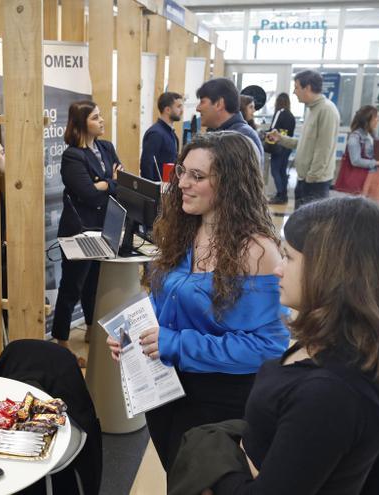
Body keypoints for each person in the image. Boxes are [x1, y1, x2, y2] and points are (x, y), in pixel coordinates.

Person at [187, 196, 379, 494]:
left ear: (331, 271)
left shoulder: (330, 393)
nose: (278, 268)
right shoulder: (350, 341)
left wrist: (214, 470)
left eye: (288, 257)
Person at [108, 131, 289, 471]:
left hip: (218, 400)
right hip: (166, 389)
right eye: (182, 172)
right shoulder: (183, 230)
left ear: (231, 184)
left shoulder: (257, 250)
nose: (183, 184)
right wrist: (133, 335)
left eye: (198, 176)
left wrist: (175, 343)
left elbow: (267, 347)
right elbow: (164, 305)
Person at [53, 100, 122, 359]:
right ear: (82, 124)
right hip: (78, 232)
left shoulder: (106, 147)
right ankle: (61, 340)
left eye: (100, 115)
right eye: (95, 117)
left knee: (94, 283)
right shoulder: (72, 156)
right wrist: (108, 183)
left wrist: (104, 184)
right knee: (71, 286)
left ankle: (92, 329)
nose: (102, 120)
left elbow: (120, 181)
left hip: (103, 229)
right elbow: (87, 194)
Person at [267, 70, 340, 209]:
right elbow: (304, 144)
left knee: (312, 227)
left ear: (307, 88)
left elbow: (324, 149)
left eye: (296, 87)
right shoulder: (311, 110)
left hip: (315, 183)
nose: (294, 92)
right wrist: (280, 138)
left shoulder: (326, 110)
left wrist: (311, 178)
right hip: (304, 179)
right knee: (300, 225)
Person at [196, 78, 263, 162]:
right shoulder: (222, 134)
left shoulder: (241, 139)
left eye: (202, 102)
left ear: (219, 104)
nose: (197, 108)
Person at [347, 105, 379, 203]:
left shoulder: (372, 134)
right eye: (376, 117)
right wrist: (377, 163)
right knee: (360, 207)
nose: (378, 120)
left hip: (375, 174)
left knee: (375, 207)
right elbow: (355, 160)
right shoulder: (355, 137)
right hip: (363, 176)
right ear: (368, 119)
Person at [140, 91, 183, 180]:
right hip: (158, 190)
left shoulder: (171, 133)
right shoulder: (156, 134)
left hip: (168, 187)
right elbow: (146, 165)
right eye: (178, 107)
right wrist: (151, 190)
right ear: (167, 110)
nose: (182, 110)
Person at [266, 93, 296, 204]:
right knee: (282, 170)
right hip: (288, 146)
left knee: (275, 170)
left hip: (278, 145)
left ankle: (280, 194)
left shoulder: (279, 112)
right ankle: (284, 194)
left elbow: (272, 128)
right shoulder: (291, 115)